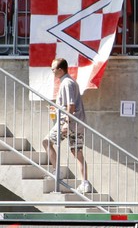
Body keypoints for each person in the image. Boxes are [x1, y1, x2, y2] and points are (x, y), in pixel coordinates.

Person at [42, 58, 92, 194]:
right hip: (77, 123)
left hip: (69, 123)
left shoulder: (67, 83)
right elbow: (68, 104)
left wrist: (66, 123)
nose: (52, 71)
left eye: (53, 69)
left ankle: (57, 171)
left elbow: (71, 105)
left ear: (60, 69)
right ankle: (85, 183)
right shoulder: (70, 82)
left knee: (46, 142)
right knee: (77, 151)